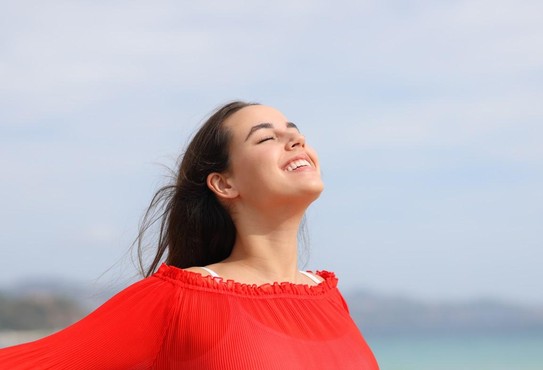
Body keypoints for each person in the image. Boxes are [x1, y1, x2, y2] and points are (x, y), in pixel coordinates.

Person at [0, 101, 379, 369]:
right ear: (224, 183)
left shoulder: (328, 297)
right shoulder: (180, 299)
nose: (295, 142)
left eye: (295, 134)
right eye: (266, 139)